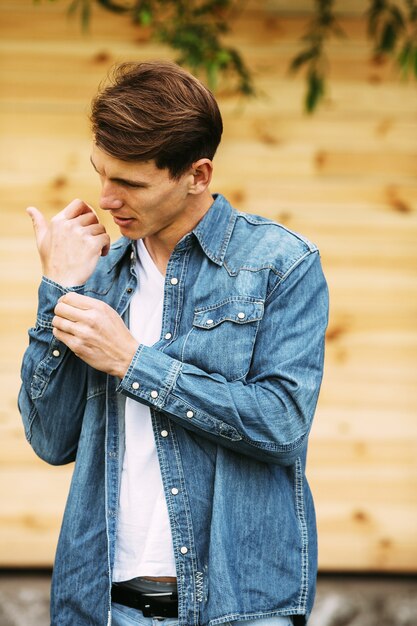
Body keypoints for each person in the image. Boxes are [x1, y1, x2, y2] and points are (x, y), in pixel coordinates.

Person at [18, 60, 328, 626]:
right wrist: (59, 289)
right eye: (101, 174)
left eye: (130, 183)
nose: (107, 200)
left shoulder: (279, 265)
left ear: (198, 174)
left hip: (240, 609)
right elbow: (49, 439)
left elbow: (283, 424)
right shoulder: (100, 278)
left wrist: (134, 363)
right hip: (103, 606)